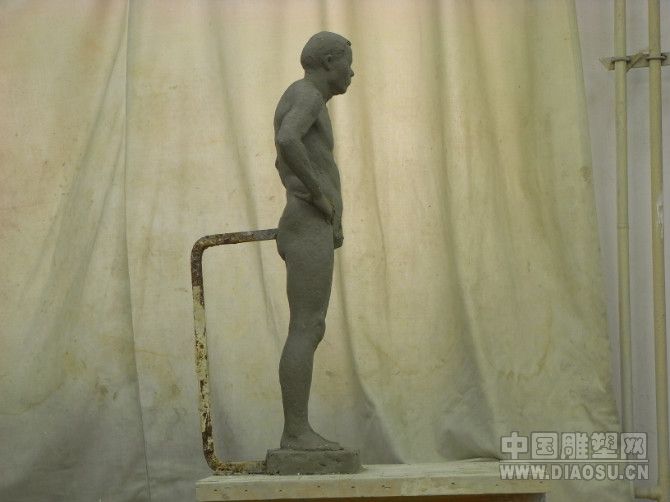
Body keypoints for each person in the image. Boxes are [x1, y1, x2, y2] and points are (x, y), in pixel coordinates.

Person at [273, 31, 354, 451]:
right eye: (348, 63)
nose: (352, 72)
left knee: (310, 326)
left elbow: (282, 158)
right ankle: (296, 432)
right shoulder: (306, 95)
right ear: (328, 62)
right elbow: (287, 140)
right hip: (306, 224)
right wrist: (319, 196)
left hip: (309, 223)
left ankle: (297, 430)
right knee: (306, 326)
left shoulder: (305, 97)